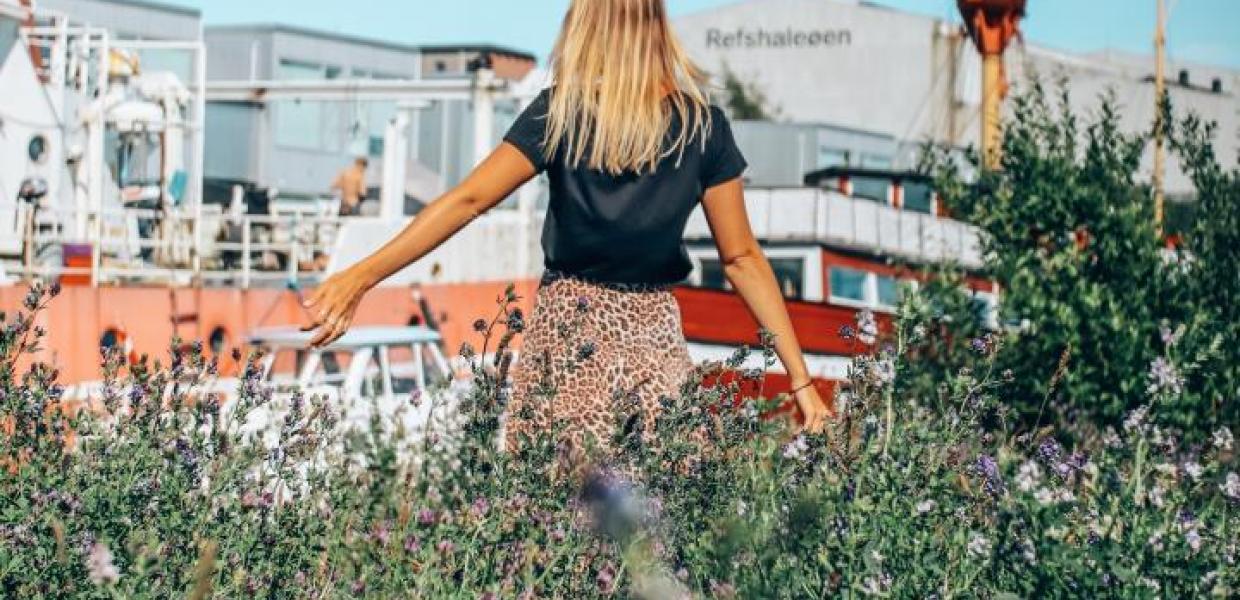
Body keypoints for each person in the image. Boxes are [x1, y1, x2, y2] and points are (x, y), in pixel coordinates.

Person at [302, 0, 831, 459]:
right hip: (655, 342)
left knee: (557, 530)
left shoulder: (560, 114)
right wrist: (801, 381)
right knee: (660, 533)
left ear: (586, 25)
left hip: (567, 334)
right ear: (656, 26)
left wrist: (360, 277)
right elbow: (741, 260)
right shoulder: (702, 127)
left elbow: (466, 202)